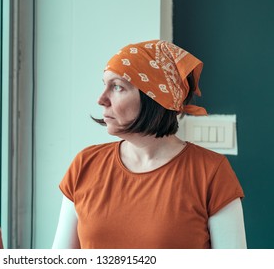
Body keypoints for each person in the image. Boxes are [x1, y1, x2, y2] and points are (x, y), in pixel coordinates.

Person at [52, 39, 247, 249]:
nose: (101, 99)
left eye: (117, 87)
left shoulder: (211, 172)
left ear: (155, 98)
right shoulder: (85, 164)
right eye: (104, 85)